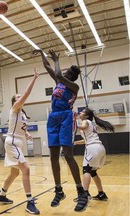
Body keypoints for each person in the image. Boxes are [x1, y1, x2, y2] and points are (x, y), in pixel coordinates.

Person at [34, 49, 88, 212]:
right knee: (53, 157)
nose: (62, 72)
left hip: (66, 117)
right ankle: (59, 190)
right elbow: (48, 66)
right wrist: (41, 53)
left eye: (65, 72)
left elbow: (57, 73)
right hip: (53, 118)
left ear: (69, 76)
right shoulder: (59, 82)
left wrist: (57, 60)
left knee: (68, 155)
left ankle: (81, 192)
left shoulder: (74, 86)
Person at [0, 67, 40, 215]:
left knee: (14, 173)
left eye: (20, 97)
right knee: (26, 170)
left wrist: (26, 132)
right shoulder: (15, 108)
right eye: (17, 97)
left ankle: (1, 195)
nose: (20, 98)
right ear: (14, 102)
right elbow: (27, 94)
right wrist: (34, 78)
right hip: (12, 142)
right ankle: (29, 202)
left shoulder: (22, 113)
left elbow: (20, 126)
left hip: (18, 142)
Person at [74, 108, 114, 201]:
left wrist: (72, 125)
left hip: (92, 148)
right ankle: (101, 194)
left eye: (83, 112)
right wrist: (75, 142)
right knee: (92, 172)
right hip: (99, 147)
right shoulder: (91, 124)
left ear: (87, 116)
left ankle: (85, 194)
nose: (80, 112)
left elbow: (83, 127)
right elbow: (85, 140)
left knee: (86, 170)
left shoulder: (86, 121)